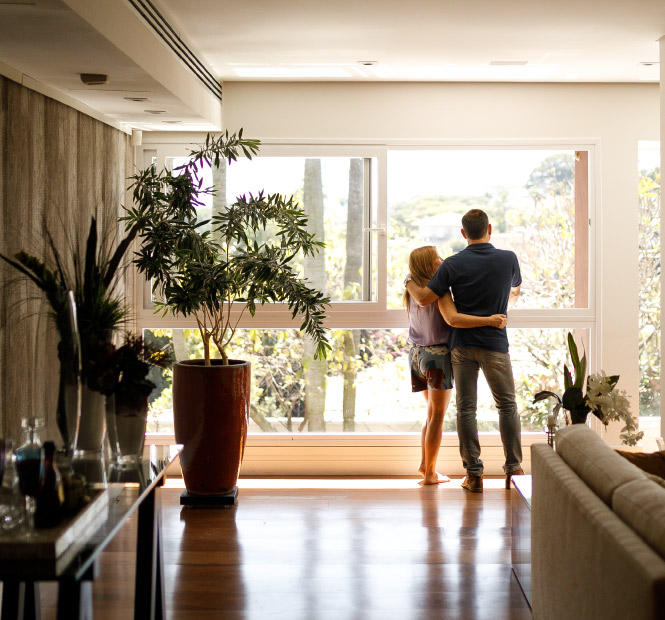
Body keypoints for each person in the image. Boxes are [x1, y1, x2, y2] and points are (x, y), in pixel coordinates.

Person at [406, 210, 523, 492]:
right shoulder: (508, 259)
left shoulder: (452, 265)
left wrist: (408, 281)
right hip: (494, 344)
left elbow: (425, 298)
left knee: (465, 411)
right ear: (489, 229)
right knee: (507, 406)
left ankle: (474, 475)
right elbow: (515, 290)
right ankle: (514, 471)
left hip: (461, 348)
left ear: (463, 233)